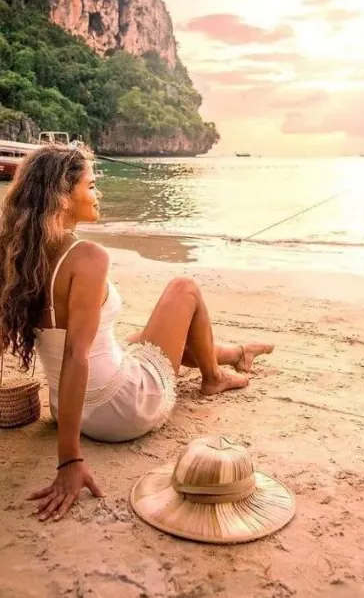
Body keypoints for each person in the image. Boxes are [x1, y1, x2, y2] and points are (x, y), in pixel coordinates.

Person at [0, 145, 274, 522]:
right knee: (184, 288)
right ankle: (213, 377)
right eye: (92, 186)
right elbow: (75, 355)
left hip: (68, 410)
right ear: (63, 196)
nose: (99, 194)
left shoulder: (15, 254)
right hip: (121, 411)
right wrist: (70, 461)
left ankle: (232, 354)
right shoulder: (88, 257)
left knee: (137, 339)